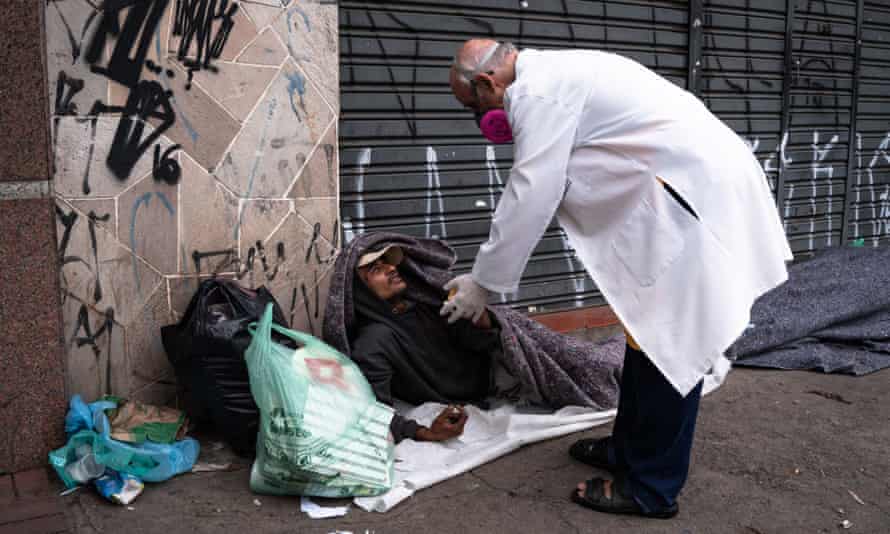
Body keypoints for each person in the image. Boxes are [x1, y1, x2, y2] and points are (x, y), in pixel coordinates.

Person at [441, 39, 793, 518]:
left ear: (487, 82)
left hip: (694, 199)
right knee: (644, 335)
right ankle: (628, 449)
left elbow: (532, 190)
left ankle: (651, 487)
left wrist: (483, 283)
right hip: (682, 191)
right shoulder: (552, 75)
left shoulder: (537, 95)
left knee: (673, 344)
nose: (480, 118)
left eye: (473, 106)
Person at [350, 243, 504, 443]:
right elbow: (372, 410)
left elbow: (478, 342)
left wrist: (483, 319)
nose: (392, 268)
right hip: (457, 403)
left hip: (490, 386)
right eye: (377, 270)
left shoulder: (427, 304)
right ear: (363, 292)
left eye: (387, 263)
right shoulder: (373, 342)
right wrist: (427, 433)